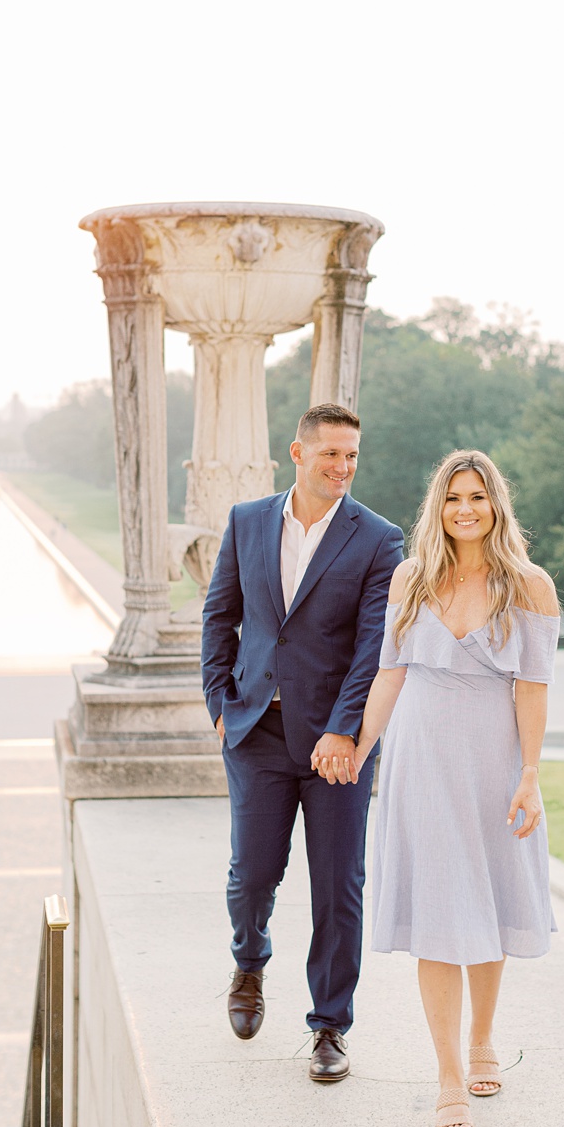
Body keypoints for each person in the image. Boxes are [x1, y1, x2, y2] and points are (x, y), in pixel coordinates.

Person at [352, 449, 562, 1127]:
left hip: (490, 755)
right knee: (439, 909)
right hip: (420, 757)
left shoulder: (528, 586)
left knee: (489, 896)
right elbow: (388, 673)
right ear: (436, 508)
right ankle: (448, 1077)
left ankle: (482, 1039)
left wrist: (529, 774)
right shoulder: (411, 577)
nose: (465, 508)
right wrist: (359, 746)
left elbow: (531, 689)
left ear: (495, 504)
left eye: (477, 496)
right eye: (452, 498)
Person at [201, 403, 405, 1082]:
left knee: (338, 886)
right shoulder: (247, 521)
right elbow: (220, 616)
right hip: (256, 728)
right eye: (331, 455)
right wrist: (219, 706)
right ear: (298, 452)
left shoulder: (379, 539)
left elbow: (372, 648)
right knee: (253, 872)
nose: (343, 468)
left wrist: (344, 731)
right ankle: (249, 963)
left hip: (337, 746)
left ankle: (329, 1027)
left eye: (352, 455)